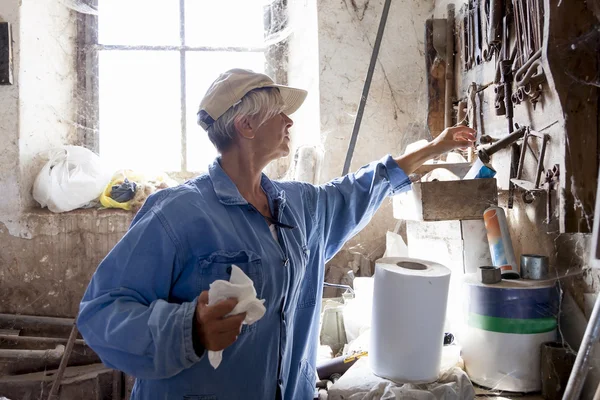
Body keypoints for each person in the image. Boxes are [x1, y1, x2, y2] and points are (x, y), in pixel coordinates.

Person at [77, 68, 475, 399]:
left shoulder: (299, 205)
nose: (289, 121)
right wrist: (189, 329)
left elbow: (360, 188)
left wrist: (430, 149)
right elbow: (101, 312)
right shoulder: (176, 213)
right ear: (246, 124)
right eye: (278, 113)